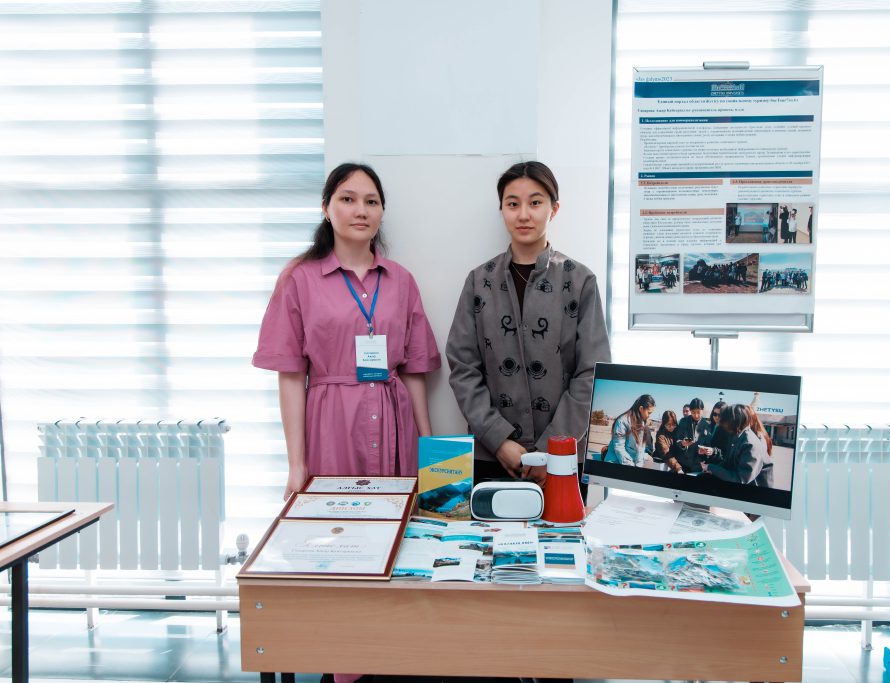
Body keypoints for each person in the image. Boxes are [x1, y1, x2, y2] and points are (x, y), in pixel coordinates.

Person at [253, 163, 441, 683]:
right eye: (348, 198)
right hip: (332, 422)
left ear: (382, 212)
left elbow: (415, 370)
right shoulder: (299, 279)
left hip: (395, 420)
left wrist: (429, 450)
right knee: (338, 542)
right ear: (326, 207)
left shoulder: (400, 280)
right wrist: (297, 464)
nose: (361, 210)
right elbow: (290, 375)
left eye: (371, 201)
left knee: (397, 541)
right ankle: (344, 663)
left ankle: (392, 657)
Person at [447, 161, 611, 490]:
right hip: (493, 457)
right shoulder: (479, 281)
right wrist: (498, 440)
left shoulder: (580, 281)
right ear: (502, 210)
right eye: (513, 204)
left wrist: (553, 449)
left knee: (564, 526)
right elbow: (463, 367)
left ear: (554, 209)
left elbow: (593, 372)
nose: (524, 214)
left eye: (535, 202)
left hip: (564, 458)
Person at [698, 404, 773, 486]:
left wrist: (711, 468)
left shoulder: (750, 444)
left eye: (724, 420)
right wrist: (710, 468)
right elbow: (728, 462)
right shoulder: (737, 435)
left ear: (733, 421)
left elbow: (740, 479)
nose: (722, 424)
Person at [605, 394, 656, 466]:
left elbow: (640, 449)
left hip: (632, 460)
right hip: (616, 461)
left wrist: (638, 465)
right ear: (641, 409)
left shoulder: (642, 423)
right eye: (649, 413)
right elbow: (619, 448)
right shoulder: (622, 421)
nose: (649, 416)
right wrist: (631, 466)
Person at [667, 398, 711, 473]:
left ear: (702, 410)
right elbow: (677, 440)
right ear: (690, 411)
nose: (696, 415)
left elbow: (708, 445)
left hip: (698, 466)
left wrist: (705, 451)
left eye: (698, 412)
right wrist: (682, 443)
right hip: (682, 463)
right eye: (693, 412)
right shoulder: (683, 421)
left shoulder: (707, 425)